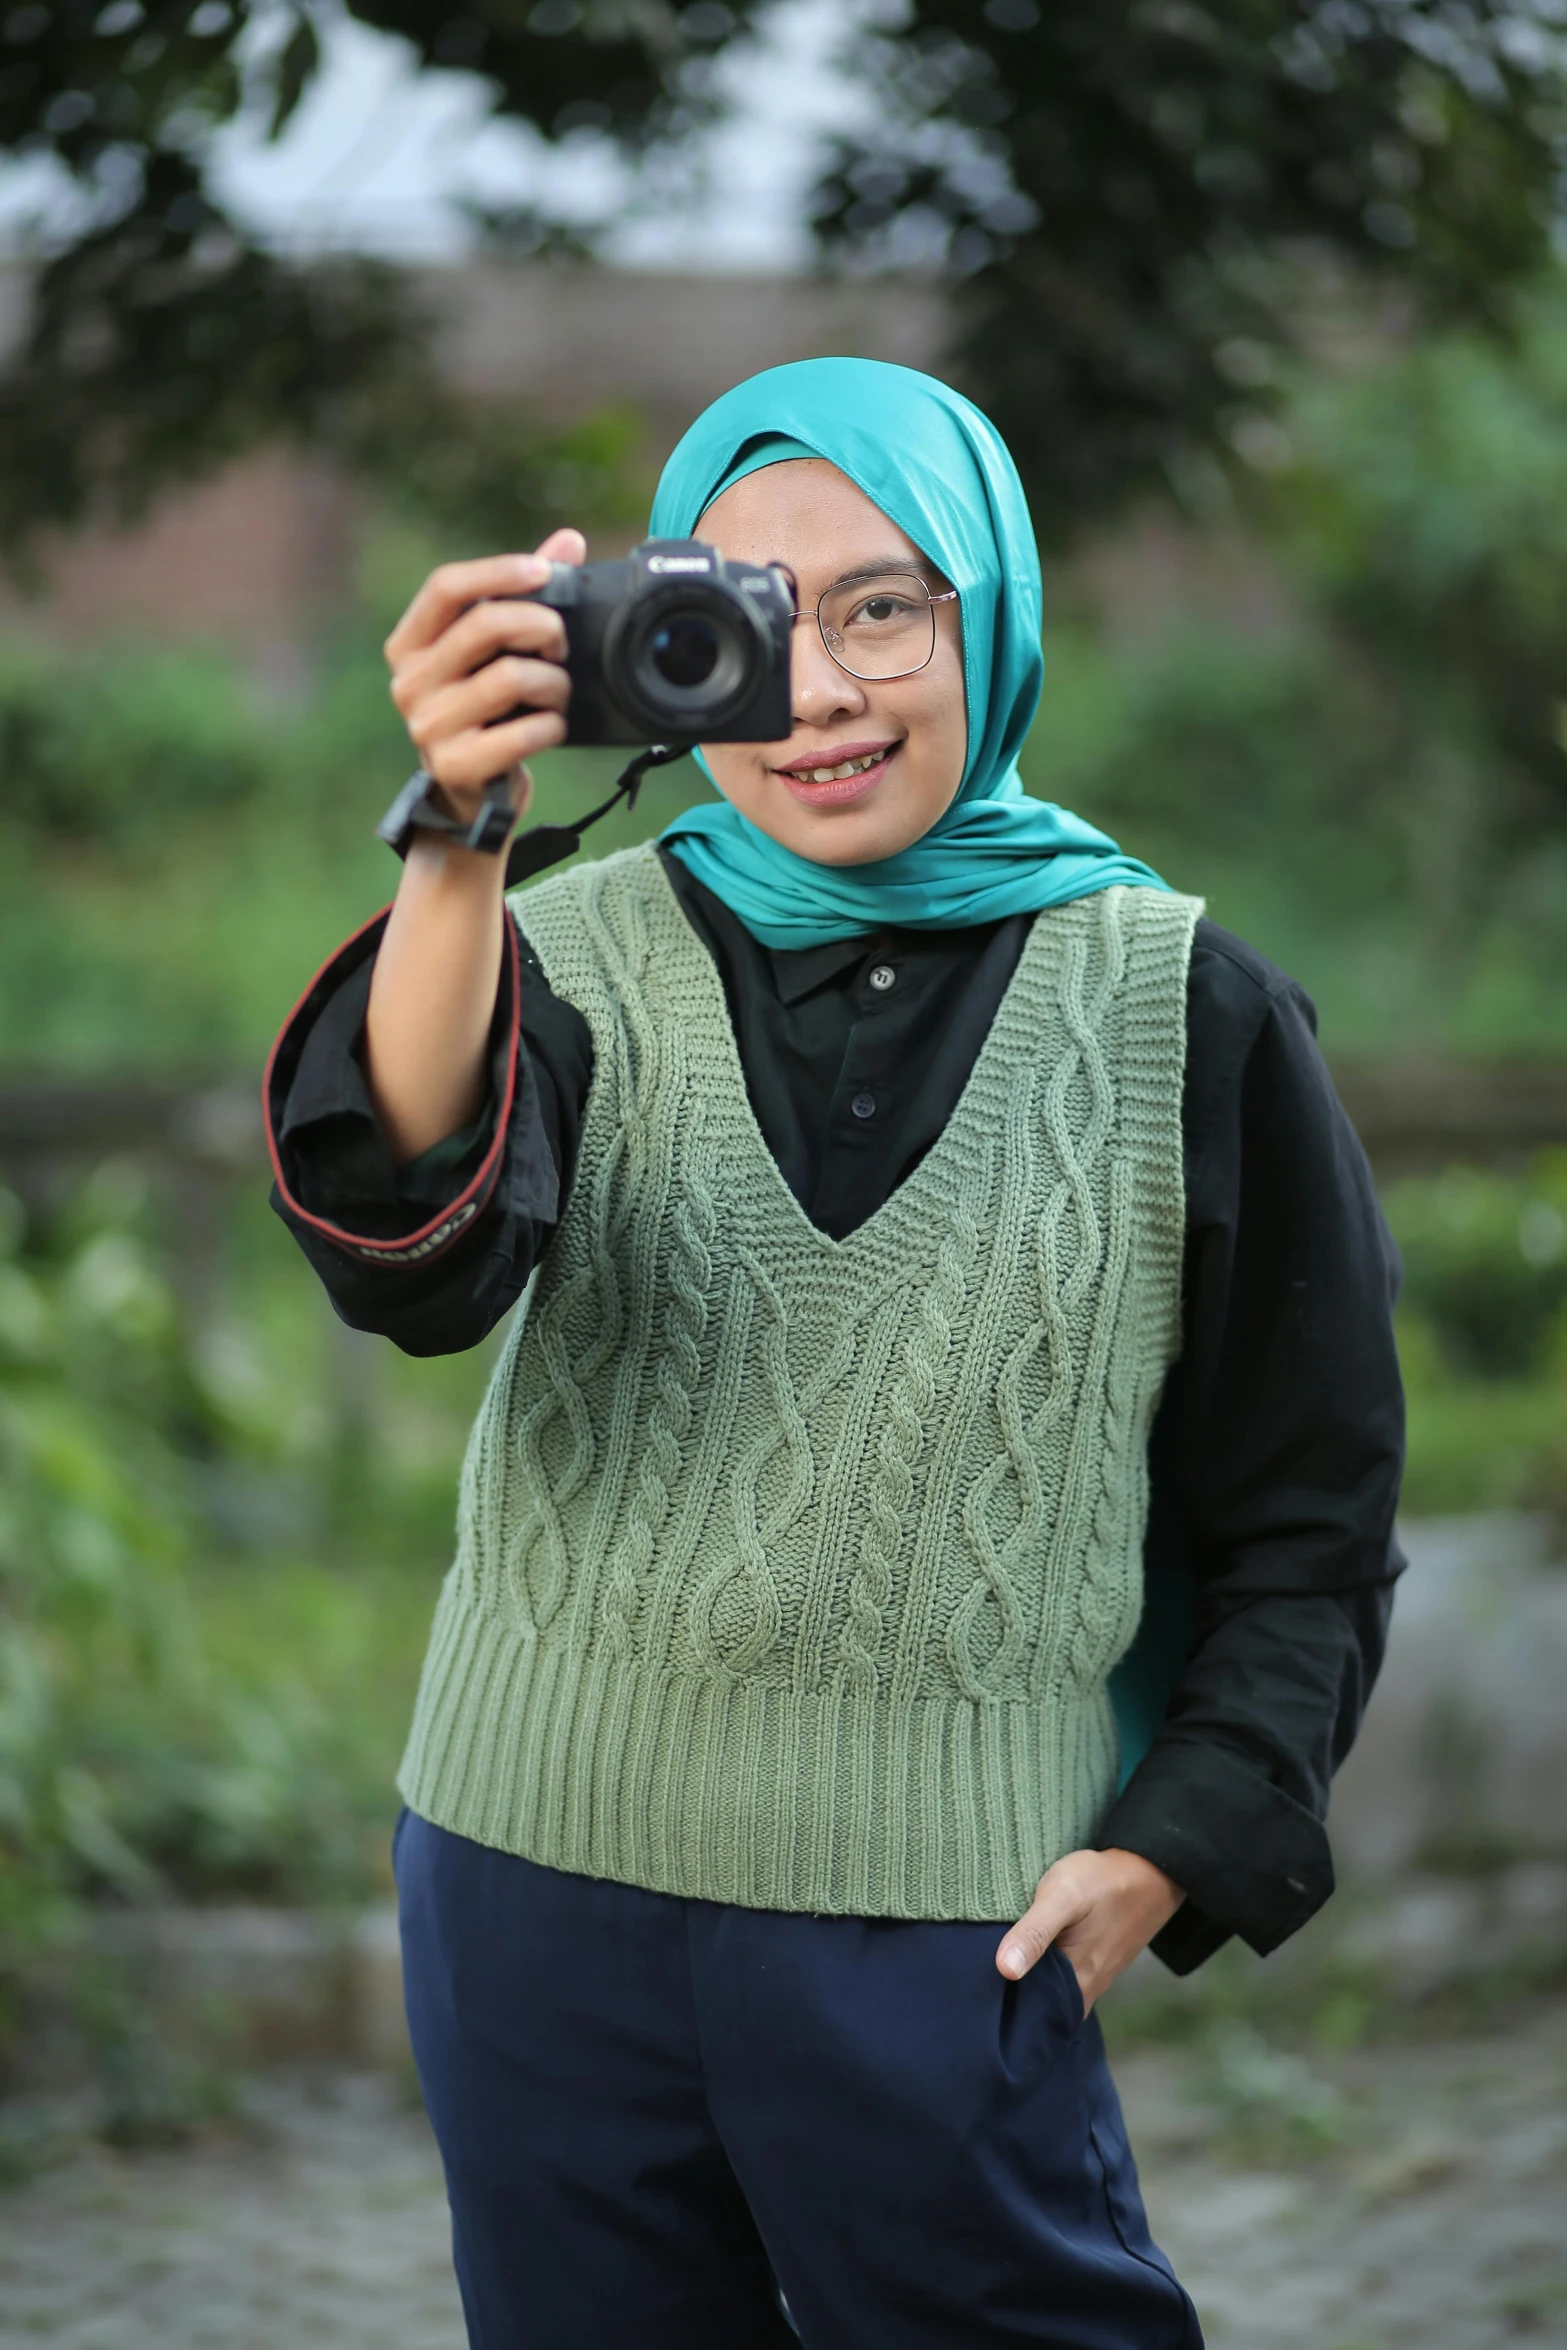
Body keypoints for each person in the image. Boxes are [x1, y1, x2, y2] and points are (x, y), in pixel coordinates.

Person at [265, 359, 1405, 2350]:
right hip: (534, 1890)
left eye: (886, 605)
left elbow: (1312, 1512)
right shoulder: (573, 951)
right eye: (749, 618)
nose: (818, 689)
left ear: (996, 610)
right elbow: (410, 1258)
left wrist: (1172, 1846)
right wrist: (457, 833)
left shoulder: (1188, 1004)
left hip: (942, 1927)